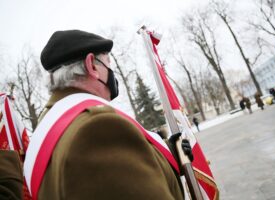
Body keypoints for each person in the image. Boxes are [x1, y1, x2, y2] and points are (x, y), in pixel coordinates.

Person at [24, 30, 187, 200]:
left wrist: (168, 155)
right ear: (92, 66)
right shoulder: (97, 129)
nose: (111, 72)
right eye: (107, 64)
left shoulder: (47, 126)